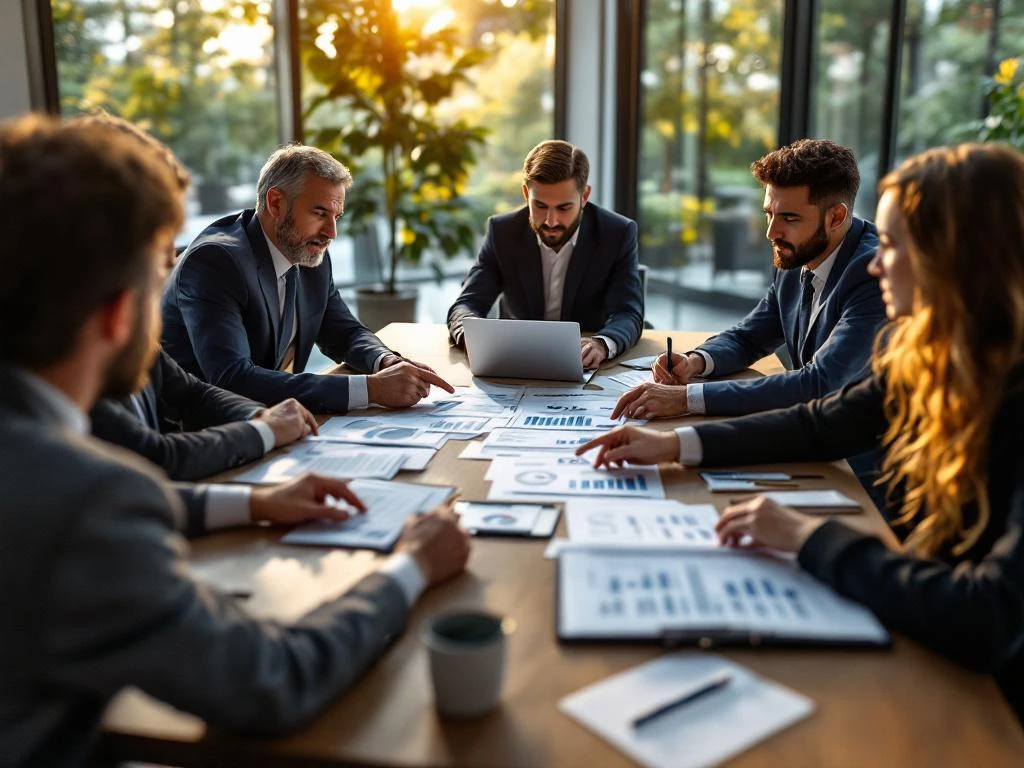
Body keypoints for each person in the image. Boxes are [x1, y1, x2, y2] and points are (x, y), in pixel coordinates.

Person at [0, 114, 471, 764]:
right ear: (119, 312)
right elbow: (275, 679)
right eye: (159, 274)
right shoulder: (88, 500)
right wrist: (411, 566)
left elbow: (335, 331)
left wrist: (248, 503)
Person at [578, 143, 1024, 721]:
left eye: (891, 246)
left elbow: (986, 616)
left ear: (956, 256)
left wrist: (808, 538)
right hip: (934, 650)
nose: (875, 263)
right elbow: (827, 423)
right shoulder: (938, 354)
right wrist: (676, 445)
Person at [162, 143, 454, 414]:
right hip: (199, 434)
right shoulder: (217, 262)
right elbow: (232, 378)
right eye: (319, 212)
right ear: (276, 203)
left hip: (275, 422)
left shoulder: (308, 253)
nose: (331, 233)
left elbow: (344, 332)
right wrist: (371, 389)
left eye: (336, 217)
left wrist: (387, 361)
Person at [614, 139, 885, 421]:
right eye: (769, 214)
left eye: (789, 218)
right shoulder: (797, 253)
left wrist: (686, 399)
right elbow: (749, 337)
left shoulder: (874, 272)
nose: (772, 232)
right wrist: (695, 361)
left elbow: (820, 383)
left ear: (836, 217)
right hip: (811, 428)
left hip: (859, 456)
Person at [446, 140, 644, 368]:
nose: (551, 221)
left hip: (587, 367)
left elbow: (628, 313)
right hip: (515, 364)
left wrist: (601, 344)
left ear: (585, 196)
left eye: (563, 208)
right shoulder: (503, 232)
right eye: (540, 206)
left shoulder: (616, 233)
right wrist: (471, 338)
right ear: (524, 193)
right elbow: (467, 303)